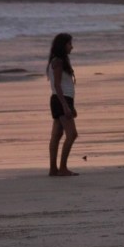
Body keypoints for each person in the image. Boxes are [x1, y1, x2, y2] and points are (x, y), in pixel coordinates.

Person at [47, 32, 78, 176]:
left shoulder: (60, 60)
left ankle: (53, 169)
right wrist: (66, 106)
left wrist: (71, 105)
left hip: (61, 99)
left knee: (57, 135)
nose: (72, 47)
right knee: (72, 134)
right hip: (61, 100)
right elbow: (58, 85)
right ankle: (63, 168)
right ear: (62, 45)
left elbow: (64, 85)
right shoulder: (58, 61)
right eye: (69, 44)